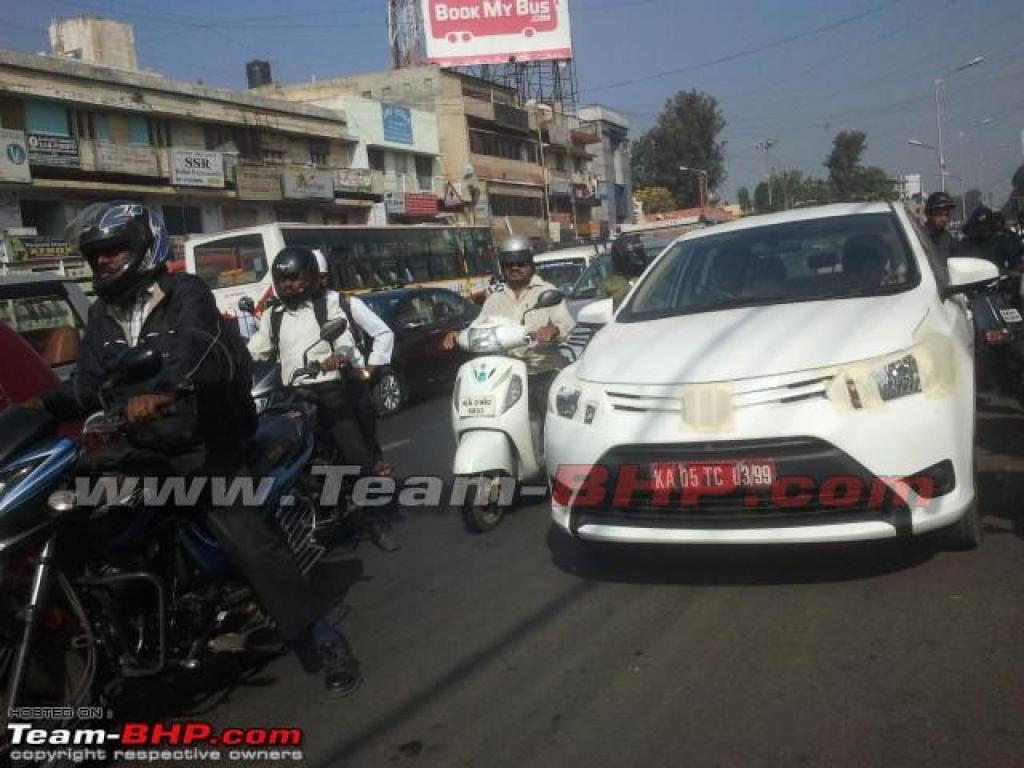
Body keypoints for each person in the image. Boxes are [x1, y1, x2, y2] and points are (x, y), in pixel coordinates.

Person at [26, 202, 360, 697]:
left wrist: (165, 389)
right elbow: (88, 385)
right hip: (142, 449)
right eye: (97, 255)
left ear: (143, 247)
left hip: (206, 442)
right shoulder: (101, 315)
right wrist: (35, 406)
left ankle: (323, 638)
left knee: (246, 538)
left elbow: (200, 347)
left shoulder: (187, 292)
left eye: (114, 250)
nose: (105, 262)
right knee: (72, 513)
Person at [248, 247, 399, 552]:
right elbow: (255, 350)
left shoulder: (327, 306)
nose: (289, 284)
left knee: (357, 455)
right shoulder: (273, 314)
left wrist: (338, 357)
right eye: (283, 279)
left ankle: (374, 521)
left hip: (329, 391)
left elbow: (343, 340)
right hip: (290, 395)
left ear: (311, 277)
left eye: (294, 278)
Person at [311, 250, 396, 477]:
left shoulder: (345, 303)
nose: (315, 282)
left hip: (349, 380)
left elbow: (384, 333)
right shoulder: (294, 310)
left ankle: (377, 474)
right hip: (312, 385)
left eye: (320, 276)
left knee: (364, 437)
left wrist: (369, 368)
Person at [442, 235, 575, 351]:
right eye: (509, 264)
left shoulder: (546, 291)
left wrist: (554, 329)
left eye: (521, 263)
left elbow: (568, 325)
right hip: (505, 367)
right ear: (503, 267)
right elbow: (478, 327)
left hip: (542, 366)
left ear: (530, 264)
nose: (515, 268)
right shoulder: (495, 299)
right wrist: (459, 335)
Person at [603, 235, 647, 309]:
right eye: (633, 253)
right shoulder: (609, 284)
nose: (636, 256)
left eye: (638, 252)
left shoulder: (654, 275)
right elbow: (599, 308)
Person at [923, 191, 959, 261]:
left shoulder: (949, 240)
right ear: (928, 214)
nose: (944, 219)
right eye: (939, 214)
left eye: (946, 215)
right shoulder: (918, 237)